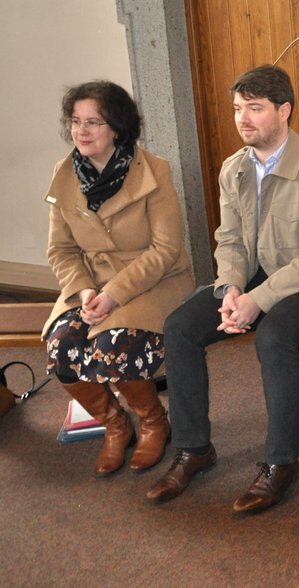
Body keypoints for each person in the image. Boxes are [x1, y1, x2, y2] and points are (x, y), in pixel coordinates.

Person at [146, 65, 299, 513]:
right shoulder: (234, 168)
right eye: (238, 108)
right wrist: (231, 289)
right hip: (256, 276)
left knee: (275, 336)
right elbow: (230, 240)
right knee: (180, 326)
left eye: (255, 108)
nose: (243, 118)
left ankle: (281, 463)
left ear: (284, 110)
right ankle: (194, 449)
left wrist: (257, 301)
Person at [43, 80, 193, 476]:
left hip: (152, 280)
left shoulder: (154, 169)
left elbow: (166, 249)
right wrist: (84, 290)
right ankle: (115, 423)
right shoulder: (64, 174)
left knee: (114, 345)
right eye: (76, 121)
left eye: (93, 122)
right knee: (61, 346)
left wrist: (112, 295)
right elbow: (61, 250)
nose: (81, 131)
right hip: (89, 285)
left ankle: (153, 421)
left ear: (118, 128)